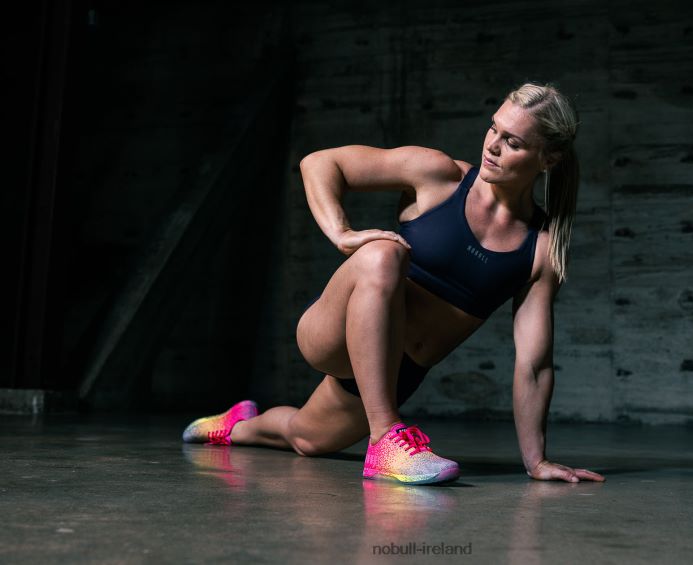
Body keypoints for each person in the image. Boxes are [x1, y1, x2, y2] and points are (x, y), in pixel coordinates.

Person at [182, 82, 606, 486]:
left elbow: (534, 364)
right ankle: (386, 435)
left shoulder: (540, 251)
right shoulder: (438, 176)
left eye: (512, 142)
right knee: (385, 254)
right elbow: (320, 163)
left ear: (548, 159)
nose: (492, 145)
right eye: (493, 128)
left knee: (304, 438)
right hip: (332, 334)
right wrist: (341, 233)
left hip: (394, 373)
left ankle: (237, 424)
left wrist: (536, 461)